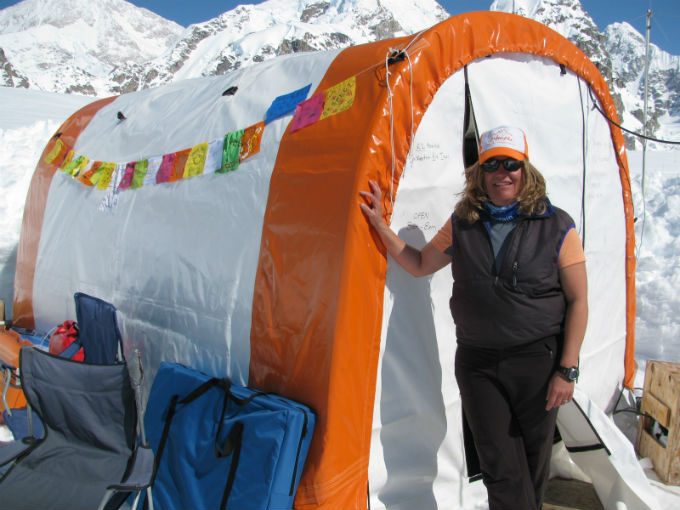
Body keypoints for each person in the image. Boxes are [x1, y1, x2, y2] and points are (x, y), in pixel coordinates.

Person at [359, 126, 588, 510]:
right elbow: (418, 264)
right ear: (479, 172)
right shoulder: (463, 222)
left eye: (511, 164)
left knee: (533, 463)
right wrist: (381, 226)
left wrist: (568, 369)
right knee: (500, 464)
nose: (502, 173)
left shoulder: (557, 225)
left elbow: (579, 300)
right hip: (479, 363)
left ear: (525, 169)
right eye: (492, 164)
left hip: (538, 362)